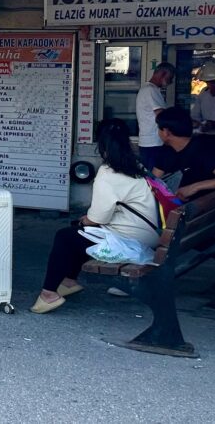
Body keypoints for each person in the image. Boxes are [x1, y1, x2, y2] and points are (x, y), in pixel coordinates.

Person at [32, 119, 159, 314]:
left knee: (66, 236)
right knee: (78, 234)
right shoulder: (135, 165)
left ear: (101, 145)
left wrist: (85, 220)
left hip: (131, 242)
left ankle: (48, 294)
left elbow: (98, 217)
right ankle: (68, 281)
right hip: (146, 236)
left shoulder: (108, 172)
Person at [154, 106, 215, 201]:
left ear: (166, 132)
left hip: (203, 207)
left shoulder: (202, 149)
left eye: (158, 128)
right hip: (176, 205)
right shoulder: (167, 150)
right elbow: (155, 180)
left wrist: (194, 187)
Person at [134, 62, 175, 173]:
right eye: (169, 78)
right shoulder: (150, 90)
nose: (170, 82)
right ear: (162, 73)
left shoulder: (152, 90)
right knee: (154, 180)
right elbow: (161, 115)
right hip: (152, 143)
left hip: (152, 142)